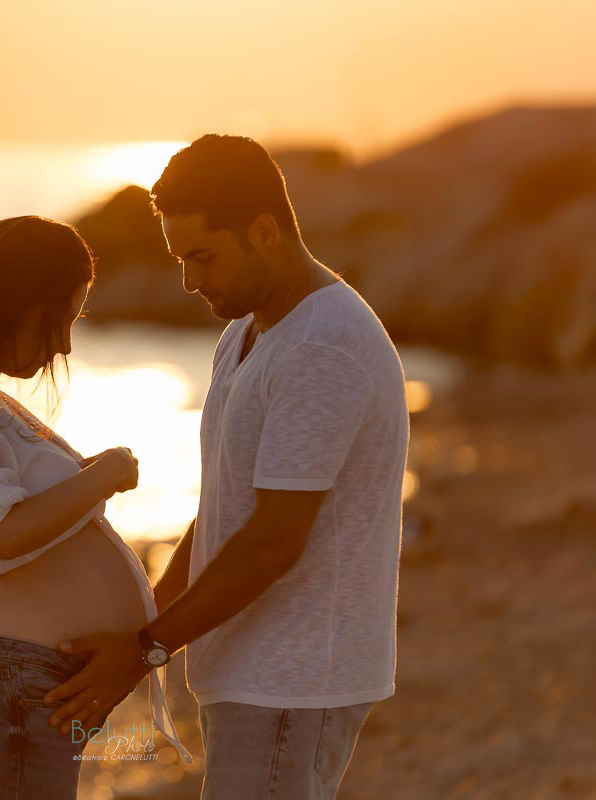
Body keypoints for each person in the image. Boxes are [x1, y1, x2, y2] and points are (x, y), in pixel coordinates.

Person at [40, 136, 409, 799]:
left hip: (295, 680)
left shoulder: (324, 346)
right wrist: (139, 629)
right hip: (253, 672)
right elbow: (223, 513)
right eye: (179, 259)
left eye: (203, 256)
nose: (188, 280)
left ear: (265, 231)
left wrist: (149, 646)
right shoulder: (245, 333)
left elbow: (272, 543)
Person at [0, 215, 194, 799]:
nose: (64, 344)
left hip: (25, 686)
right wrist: (100, 476)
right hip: (1, 686)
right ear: (9, 303)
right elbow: (2, 531)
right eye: (59, 319)